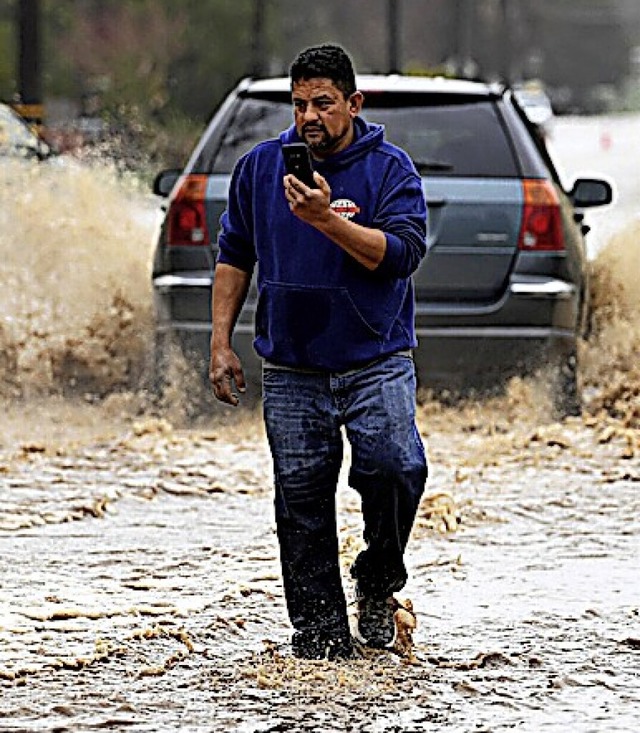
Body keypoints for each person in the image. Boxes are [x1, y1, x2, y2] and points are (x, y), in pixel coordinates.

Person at [210, 44, 428, 661]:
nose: (310, 115)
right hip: (291, 366)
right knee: (301, 501)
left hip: (375, 358)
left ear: (353, 104)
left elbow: (403, 254)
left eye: (324, 103)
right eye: (300, 103)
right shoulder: (259, 167)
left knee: (397, 466)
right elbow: (234, 254)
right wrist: (220, 340)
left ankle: (378, 578)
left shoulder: (390, 169)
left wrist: (326, 219)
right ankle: (322, 644)